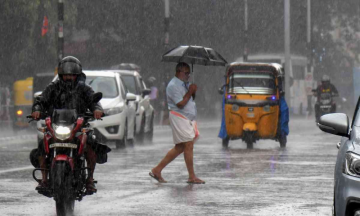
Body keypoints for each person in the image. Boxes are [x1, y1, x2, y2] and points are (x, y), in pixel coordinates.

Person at [31, 56, 104, 193]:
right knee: (42, 144)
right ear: (60, 75)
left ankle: (89, 179)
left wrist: (97, 110)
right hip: (56, 125)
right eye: (65, 75)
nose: (69, 77)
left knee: (92, 142)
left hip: (78, 127)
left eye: (72, 75)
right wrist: (37, 110)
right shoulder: (53, 88)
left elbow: (94, 101)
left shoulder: (84, 89)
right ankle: (45, 179)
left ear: (77, 75)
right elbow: (41, 100)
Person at [149, 62, 205, 184]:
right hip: (180, 117)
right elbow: (180, 103)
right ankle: (192, 176)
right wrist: (190, 92)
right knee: (188, 145)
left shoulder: (185, 84)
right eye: (186, 73)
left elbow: (189, 98)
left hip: (186, 118)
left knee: (180, 147)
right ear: (179, 72)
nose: (188, 75)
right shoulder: (173, 85)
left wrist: (192, 91)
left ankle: (157, 170)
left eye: (189, 73)